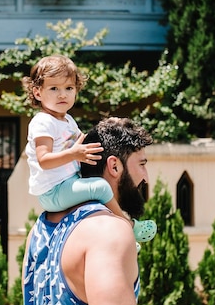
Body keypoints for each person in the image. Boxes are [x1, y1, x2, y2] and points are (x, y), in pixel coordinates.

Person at [23, 117, 154, 305]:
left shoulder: (39, 231)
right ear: (114, 166)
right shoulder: (108, 231)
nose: (146, 177)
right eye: (142, 164)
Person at [22, 55, 156, 243]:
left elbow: (83, 141)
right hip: (53, 191)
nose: (62, 94)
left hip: (67, 183)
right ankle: (128, 227)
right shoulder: (43, 122)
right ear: (37, 93)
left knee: (95, 186)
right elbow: (44, 160)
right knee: (100, 187)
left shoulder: (67, 120)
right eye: (54, 88)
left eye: (69, 88)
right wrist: (73, 154)